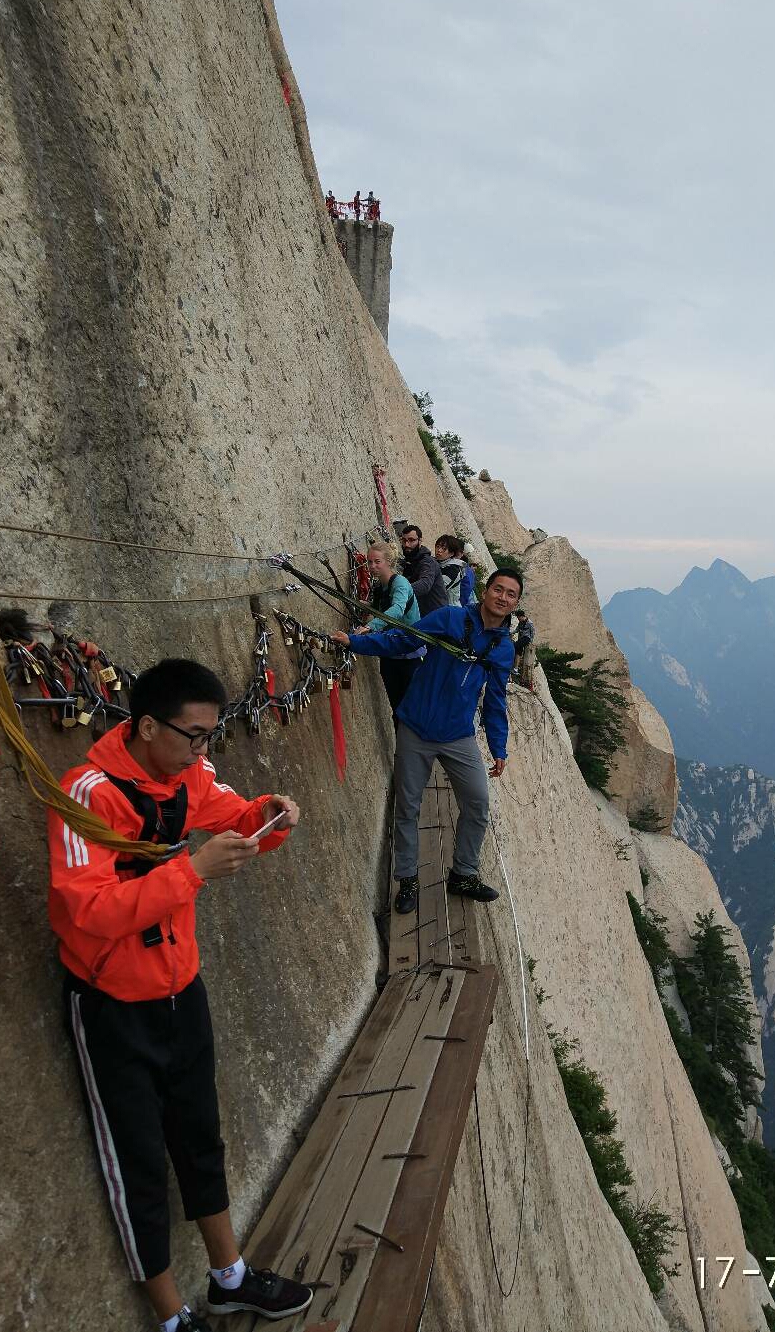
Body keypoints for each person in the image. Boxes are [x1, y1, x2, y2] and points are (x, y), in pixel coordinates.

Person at [47, 659, 311, 1332]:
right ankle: (170, 1317)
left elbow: (234, 811)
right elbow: (87, 910)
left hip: (178, 986)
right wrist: (191, 870)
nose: (203, 750)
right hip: (113, 1003)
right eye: (193, 735)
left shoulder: (186, 776)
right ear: (145, 725)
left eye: (208, 736)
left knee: (199, 1134)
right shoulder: (88, 792)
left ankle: (230, 1276)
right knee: (137, 1156)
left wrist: (271, 816)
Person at [332, 569, 522, 914]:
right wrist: (356, 642)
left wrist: (498, 747)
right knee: (408, 806)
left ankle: (463, 873)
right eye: (498, 589)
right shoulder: (450, 618)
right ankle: (407, 879)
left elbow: (495, 701)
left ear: (515, 603)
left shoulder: (502, 648)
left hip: (458, 735)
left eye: (511, 594)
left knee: (478, 802)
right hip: (417, 728)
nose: (503, 597)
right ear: (487, 591)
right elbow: (404, 639)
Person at [353, 541, 422, 713]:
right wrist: (366, 605)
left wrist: (370, 626)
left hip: (408, 652)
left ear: (388, 562)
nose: (372, 566)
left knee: (409, 706)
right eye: (369, 562)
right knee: (397, 706)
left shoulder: (400, 583)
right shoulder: (381, 586)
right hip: (391, 649)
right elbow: (383, 607)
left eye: (377, 561)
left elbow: (397, 609)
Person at [398, 524, 448, 615]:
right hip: (420, 614)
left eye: (412, 540)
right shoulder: (410, 561)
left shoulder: (428, 562)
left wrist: (398, 589)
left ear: (420, 541)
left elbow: (425, 584)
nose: (407, 544)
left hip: (434, 618)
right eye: (404, 540)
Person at [433, 534, 468, 607]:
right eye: (438, 546)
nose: (439, 550)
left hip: (449, 609)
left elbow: (437, 588)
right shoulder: (438, 562)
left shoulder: (453, 569)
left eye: (444, 549)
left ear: (451, 553)